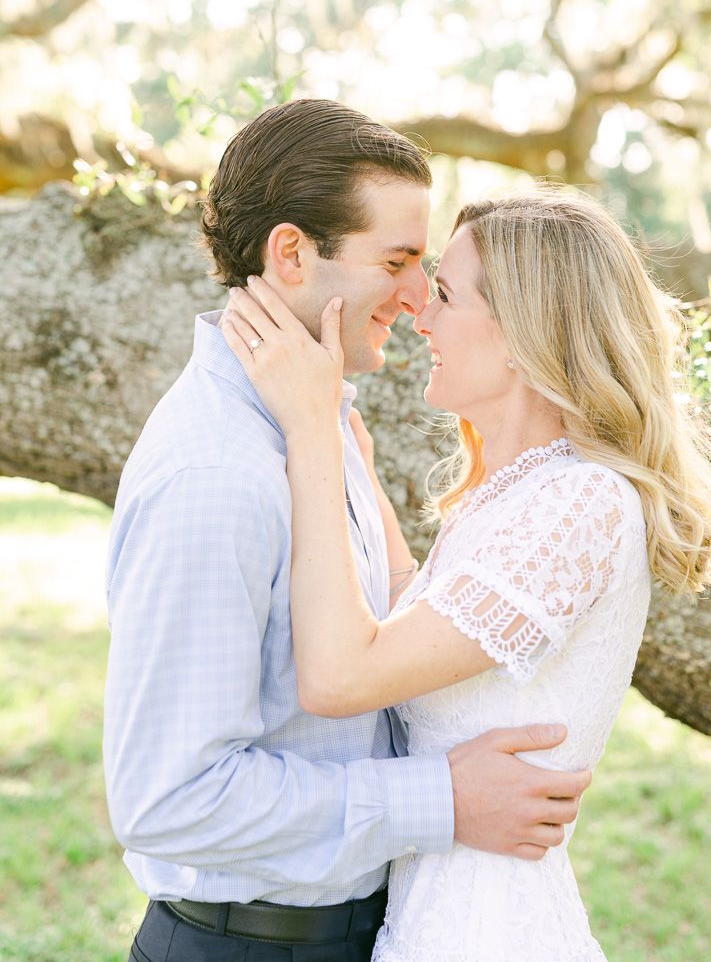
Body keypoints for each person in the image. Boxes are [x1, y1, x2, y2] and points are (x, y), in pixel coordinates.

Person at [103, 100, 591, 962]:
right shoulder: (217, 474)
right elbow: (168, 797)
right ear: (292, 253)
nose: (417, 298)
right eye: (398, 261)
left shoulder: (313, 420)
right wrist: (437, 799)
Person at [222, 187, 711, 961]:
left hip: (486, 929)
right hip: (441, 911)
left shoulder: (581, 503)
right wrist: (357, 472)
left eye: (444, 294)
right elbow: (427, 638)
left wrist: (309, 431)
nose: (420, 315)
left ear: (522, 333)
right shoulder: (525, 492)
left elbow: (341, 677)